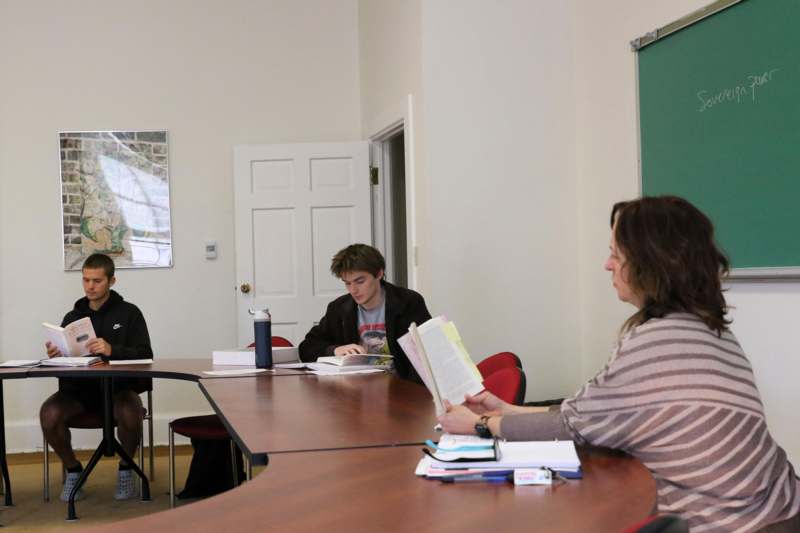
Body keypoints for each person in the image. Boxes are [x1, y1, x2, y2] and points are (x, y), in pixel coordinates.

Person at [439, 196, 800, 532]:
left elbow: (572, 426)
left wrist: (480, 425)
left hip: (734, 523)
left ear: (649, 263)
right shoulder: (707, 328)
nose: (607, 264)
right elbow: (588, 415)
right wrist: (507, 410)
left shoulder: (655, 342)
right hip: (779, 506)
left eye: (615, 254)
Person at [40, 253, 153, 502]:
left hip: (119, 390)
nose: (90, 286)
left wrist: (113, 350)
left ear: (112, 281)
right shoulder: (72, 317)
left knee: (131, 412)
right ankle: (73, 470)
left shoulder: (130, 313)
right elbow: (64, 361)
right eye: (86, 280)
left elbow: (146, 354)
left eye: (97, 281)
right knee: (48, 414)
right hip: (78, 393)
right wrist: (57, 354)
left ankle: (126, 467)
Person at [299, 243, 431, 382]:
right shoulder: (338, 308)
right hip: (355, 388)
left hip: (401, 387)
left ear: (379, 274)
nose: (353, 290)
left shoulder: (408, 302)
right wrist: (334, 350)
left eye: (360, 281)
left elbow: (427, 352)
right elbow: (306, 347)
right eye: (347, 283)